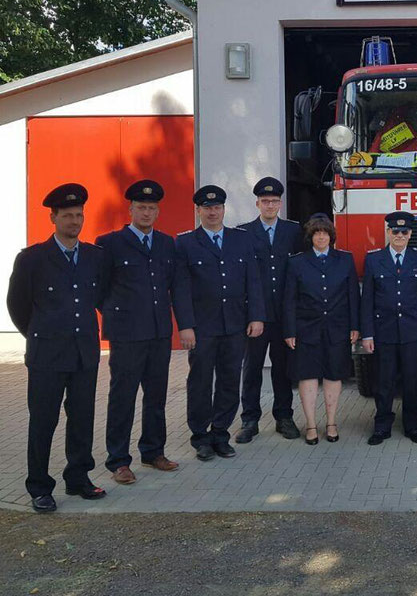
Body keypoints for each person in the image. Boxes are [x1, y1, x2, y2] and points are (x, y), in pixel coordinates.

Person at [6, 183, 108, 513]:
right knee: (43, 421)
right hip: (47, 356)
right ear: (53, 217)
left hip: (83, 354)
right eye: (67, 215)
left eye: (79, 215)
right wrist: (37, 335)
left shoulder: (94, 256)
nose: (74, 221)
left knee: (82, 419)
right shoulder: (32, 258)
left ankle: (78, 478)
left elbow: (101, 295)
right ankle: (39, 486)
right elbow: (17, 305)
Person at [96, 180, 181, 485]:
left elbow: (172, 285)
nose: (146, 212)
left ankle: (153, 451)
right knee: (123, 397)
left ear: (158, 211)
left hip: (159, 333)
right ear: (130, 209)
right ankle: (118, 461)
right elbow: (99, 288)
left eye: (151, 208)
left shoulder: (166, 243)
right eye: (141, 207)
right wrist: (118, 316)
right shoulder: (109, 243)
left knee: (156, 396)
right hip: (127, 334)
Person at [173, 185, 265, 461]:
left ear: (224, 209)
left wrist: (256, 316)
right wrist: (185, 325)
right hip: (202, 327)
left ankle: (221, 433)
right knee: (200, 382)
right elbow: (180, 288)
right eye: (207, 207)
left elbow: (253, 281)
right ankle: (200, 437)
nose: (212, 212)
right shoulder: (186, 243)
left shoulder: (241, 239)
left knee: (228, 380)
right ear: (198, 210)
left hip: (235, 324)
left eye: (217, 207)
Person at [235, 177, 303, 444]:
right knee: (252, 368)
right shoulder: (243, 233)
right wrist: (253, 314)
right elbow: (242, 277)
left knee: (283, 368)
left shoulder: (294, 231)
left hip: (285, 314)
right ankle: (249, 420)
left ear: (280, 203)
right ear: (257, 203)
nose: (270, 205)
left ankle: (284, 417)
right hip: (256, 316)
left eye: (274, 201)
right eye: (265, 201)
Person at [283, 213, 360, 445]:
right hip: (306, 328)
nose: (321, 237)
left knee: (333, 374)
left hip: (337, 328)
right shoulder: (297, 262)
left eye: (325, 233)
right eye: (316, 233)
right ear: (310, 237)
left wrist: (355, 326)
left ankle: (332, 422)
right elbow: (289, 299)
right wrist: (289, 330)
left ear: (331, 236)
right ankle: (311, 424)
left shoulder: (345, 260)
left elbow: (353, 296)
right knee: (307, 376)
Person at [361, 211, 417, 445]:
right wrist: (367, 333)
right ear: (388, 232)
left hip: (413, 331)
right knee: (384, 382)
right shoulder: (374, 260)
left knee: (413, 382)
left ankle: (413, 426)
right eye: (395, 231)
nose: (400, 235)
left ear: (410, 233)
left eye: (404, 232)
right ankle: (382, 426)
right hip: (384, 332)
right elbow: (367, 301)